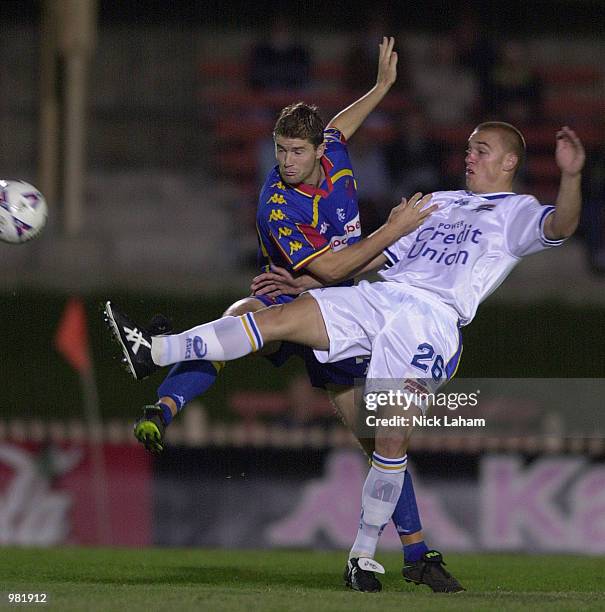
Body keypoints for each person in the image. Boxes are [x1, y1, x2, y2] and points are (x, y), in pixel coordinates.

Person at [106, 121, 584, 591]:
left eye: (480, 150)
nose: (469, 157)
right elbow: (379, 256)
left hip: (430, 323)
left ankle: (363, 554)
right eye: (468, 149)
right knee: (278, 318)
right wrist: (308, 282)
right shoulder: (437, 201)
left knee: (388, 437)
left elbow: (561, 224)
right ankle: (155, 351)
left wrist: (571, 176)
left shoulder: (516, 211)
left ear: (508, 162)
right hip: (379, 297)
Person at [111, 37, 462, 594]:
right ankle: (163, 398)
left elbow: (342, 127)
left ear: (318, 150)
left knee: (379, 440)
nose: (284, 162)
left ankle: (416, 552)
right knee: (247, 317)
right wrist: (391, 230)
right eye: (279, 151)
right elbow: (333, 267)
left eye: (295, 152)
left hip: (342, 316)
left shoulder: (335, 154)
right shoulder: (276, 203)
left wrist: (380, 87)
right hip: (300, 300)